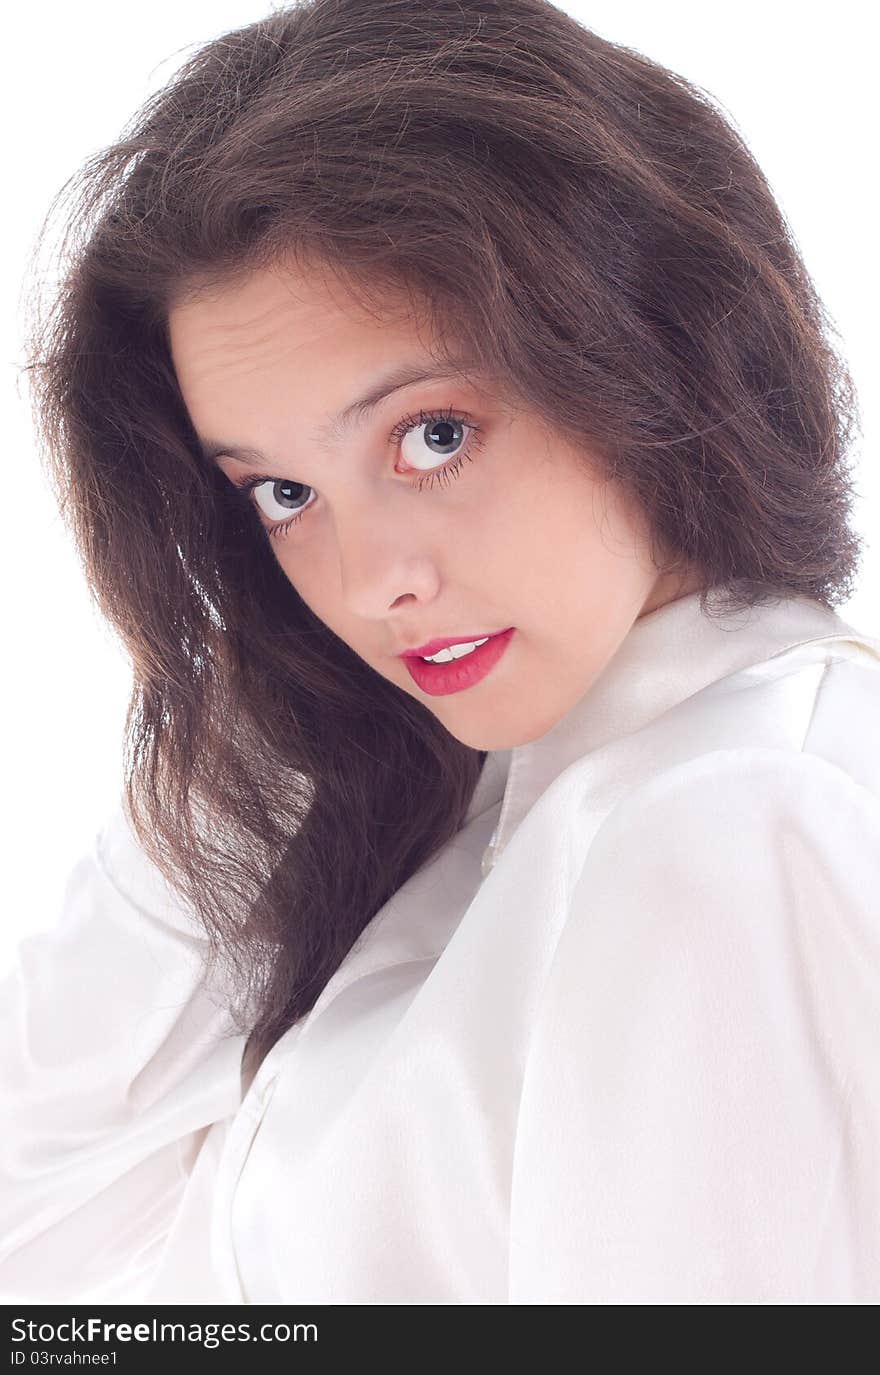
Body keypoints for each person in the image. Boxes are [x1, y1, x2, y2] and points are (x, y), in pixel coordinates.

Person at [2, 0, 878, 1304]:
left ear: (646, 344)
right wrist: (271, 703)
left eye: (431, 438)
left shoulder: (721, 822)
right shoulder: (517, 785)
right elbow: (40, 1228)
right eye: (284, 493)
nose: (369, 585)